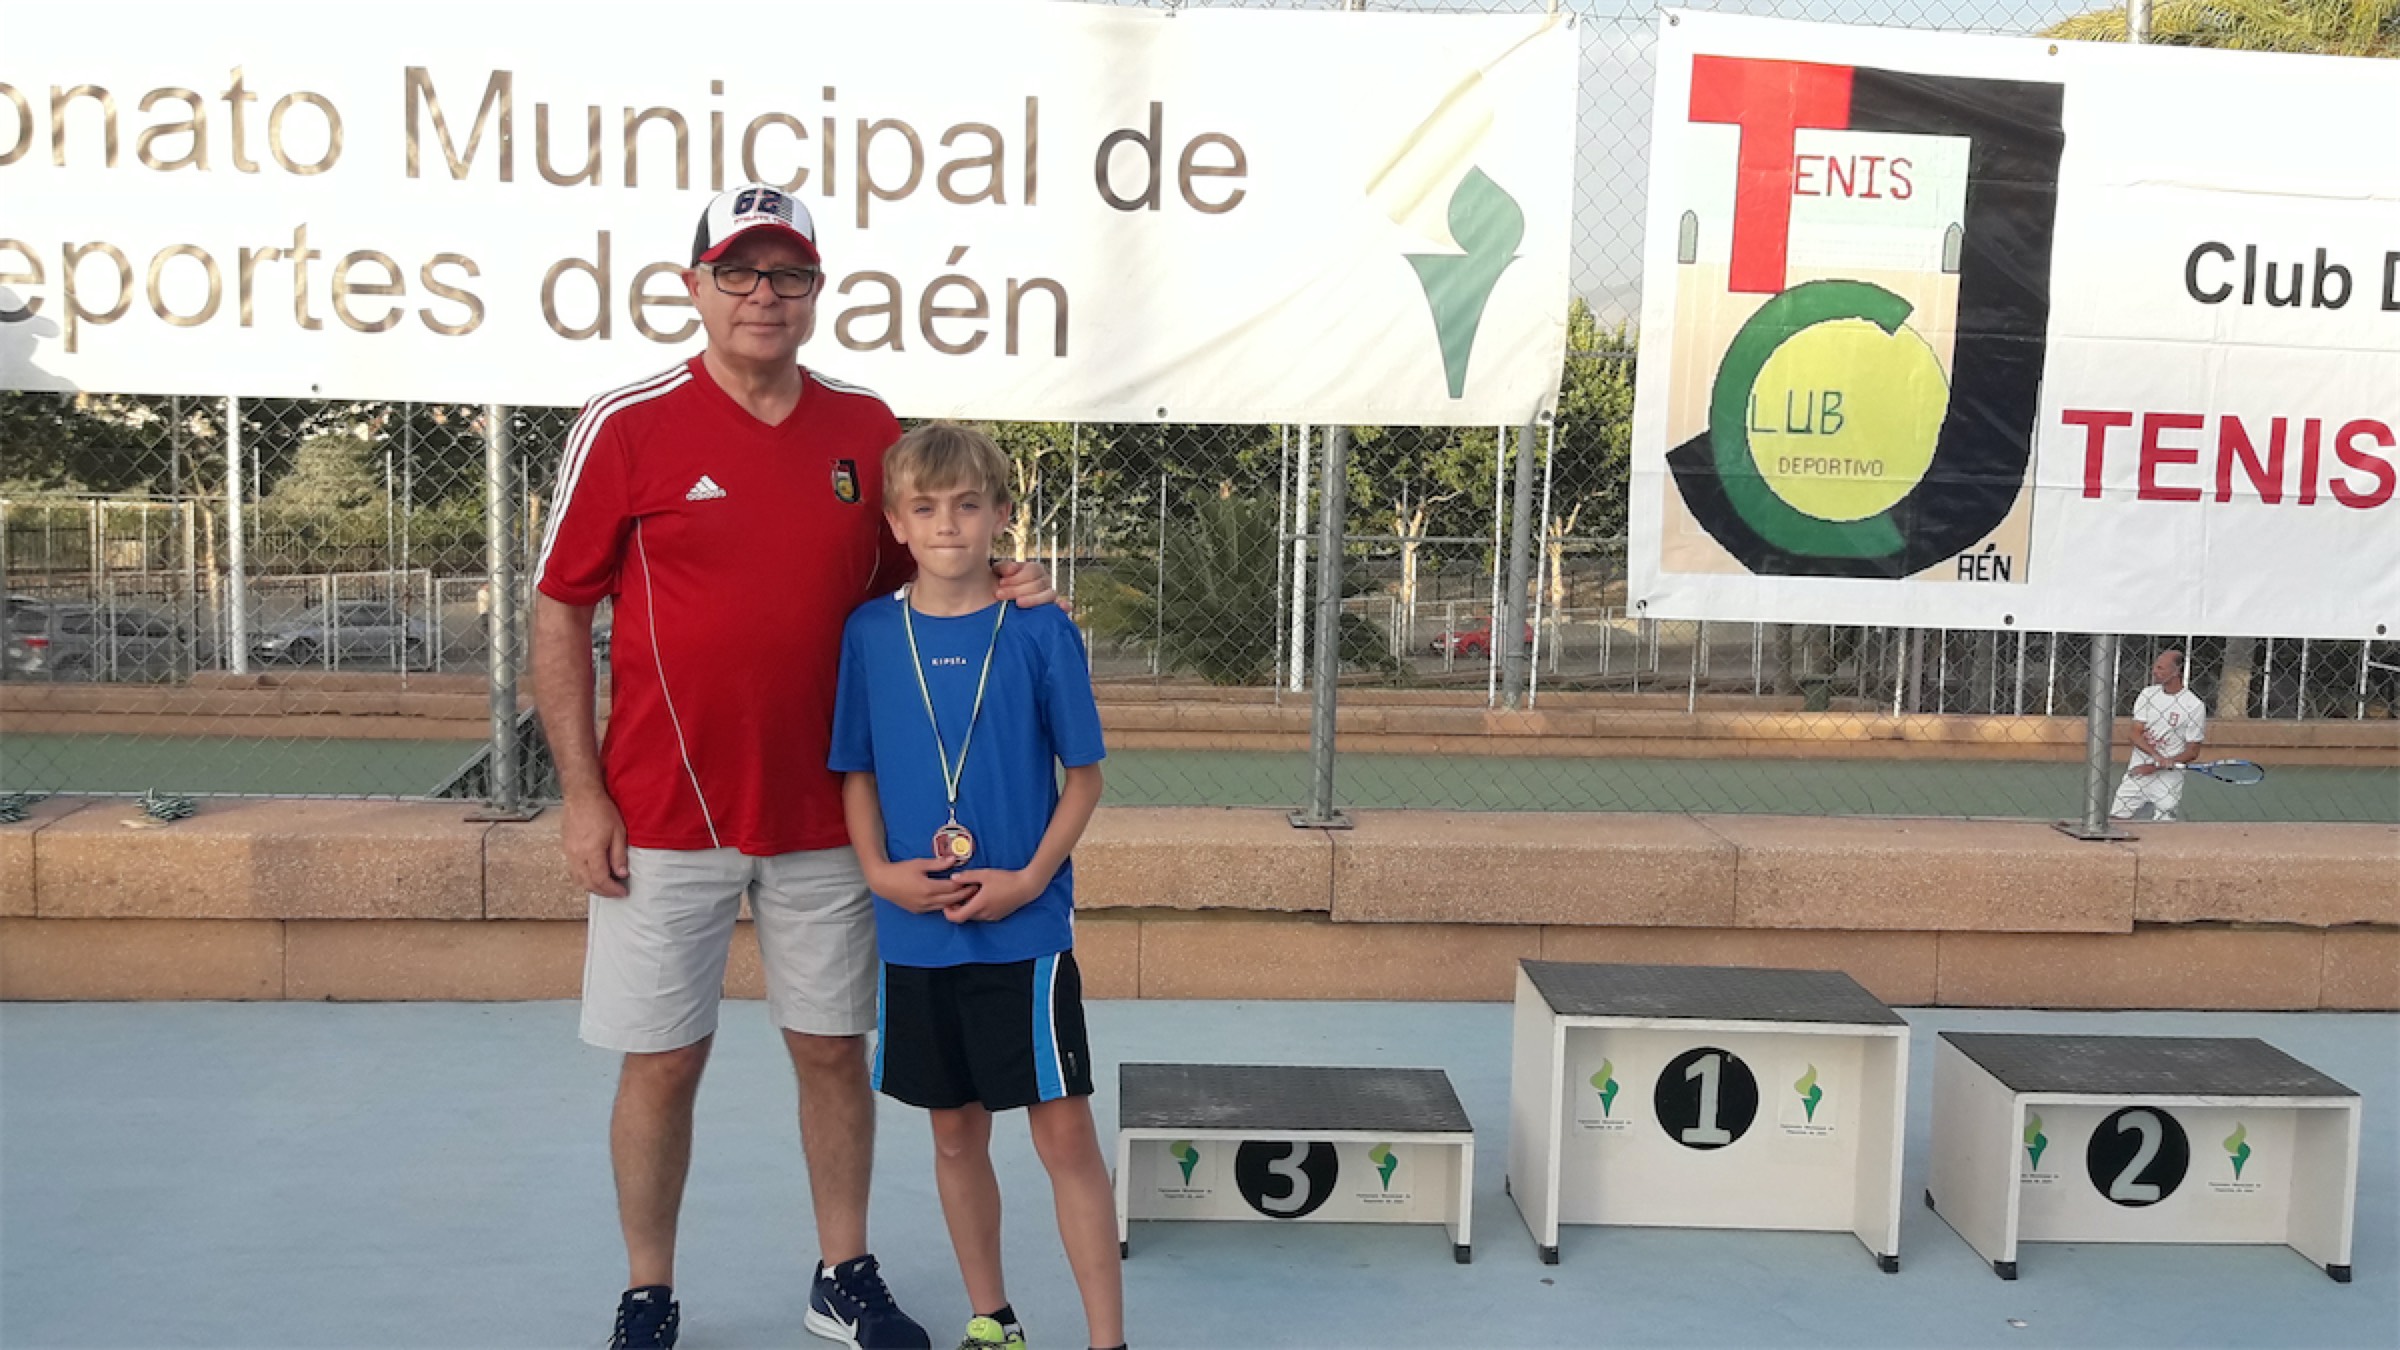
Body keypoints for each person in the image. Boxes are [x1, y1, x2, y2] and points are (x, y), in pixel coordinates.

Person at [530, 184, 1052, 1350]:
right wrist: (582, 793)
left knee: (831, 1051)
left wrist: (1008, 581)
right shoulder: (626, 424)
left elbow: (928, 574)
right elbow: (560, 608)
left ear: (818, 291)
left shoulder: (866, 428)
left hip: (834, 813)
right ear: (694, 286)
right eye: (739, 272)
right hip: (664, 813)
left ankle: (841, 1273)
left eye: (788, 274)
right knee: (665, 1063)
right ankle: (649, 1292)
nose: (763, 295)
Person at [830, 423, 1127, 1350]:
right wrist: (879, 873)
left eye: (968, 505)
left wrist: (1030, 879)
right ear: (896, 523)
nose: (948, 524)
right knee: (954, 1134)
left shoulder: (1039, 627)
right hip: (916, 933)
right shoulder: (871, 632)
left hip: (1023, 933)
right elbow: (857, 772)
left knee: (1064, 1137)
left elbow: (1084, 778)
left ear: (1001, 514)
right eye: (925, 508)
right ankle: (992, 1320)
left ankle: (1107, 1339)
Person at [2110, 648, 2206, 823]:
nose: (2154, 671)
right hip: (2137, 772)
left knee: (2164, 825)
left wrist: (2159, 766)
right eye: (2155, 666)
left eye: (2161, 668)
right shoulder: (2148, 694)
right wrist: (2156, 757)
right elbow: (2134, 734)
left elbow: (2193, 751)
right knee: (2117, 819)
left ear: (2176, 672)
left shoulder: (2194, 705)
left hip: (2168, 780)